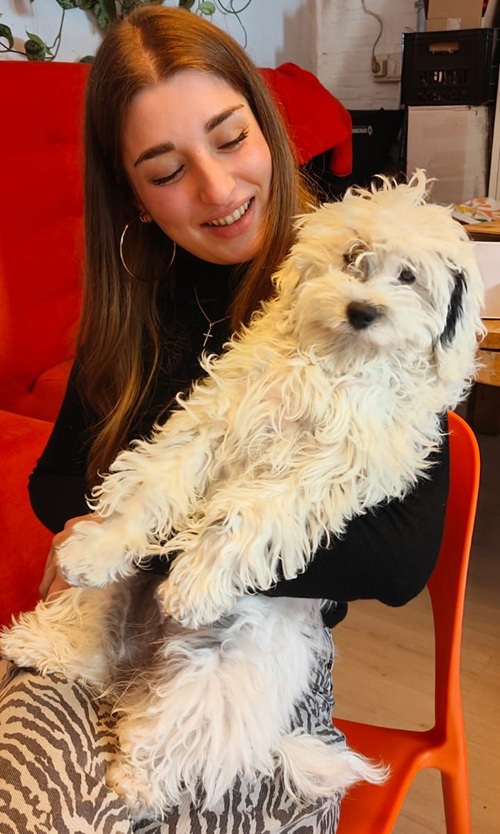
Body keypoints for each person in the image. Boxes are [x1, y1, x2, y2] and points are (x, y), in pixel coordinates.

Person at [0, 6, 450, 833]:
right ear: (133, 196)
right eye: (167, 170)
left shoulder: (358, 273)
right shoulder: (131, 309)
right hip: (108, 620)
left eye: (230, 138)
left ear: (267, 128)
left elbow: (397, 558)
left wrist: (160, 541)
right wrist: (117, 538)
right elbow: (56, 480)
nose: (216, 189)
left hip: (257, 651)